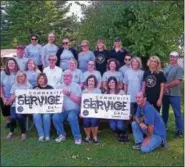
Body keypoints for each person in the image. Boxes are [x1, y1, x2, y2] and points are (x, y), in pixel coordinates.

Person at [52, 70, 82, 145]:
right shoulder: (59, 86)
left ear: (71, 77)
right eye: (64, 76)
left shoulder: (77, 86)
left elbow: (79, 101)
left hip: (74, 109)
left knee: (71, 117)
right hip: (63, 110)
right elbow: (56, 99)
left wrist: (69, 94)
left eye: (68, 76)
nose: (66, 77)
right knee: (55, 117)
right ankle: (62, 134)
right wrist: (60, 106)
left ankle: (77, 137)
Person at [162, 51, 184, 138]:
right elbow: (162, 79)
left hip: (175, 94)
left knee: (177, 113)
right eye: (171, 56)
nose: (172, 58)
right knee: (164, 112)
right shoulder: (166, 68)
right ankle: (164, 126)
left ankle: (180, 130)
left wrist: (166, 86)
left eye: (174, 57)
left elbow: (177, 81)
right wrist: (164, 87)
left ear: (177, 58)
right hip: (165, 94)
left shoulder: (179, 68)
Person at [6, 71, 32, 140]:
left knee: (20, 116)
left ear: (25, 77)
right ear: (17, 78)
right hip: (15, 105)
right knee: (13, 117)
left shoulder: (29, 86)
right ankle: (11, 131)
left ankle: (23, 132)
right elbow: (10, 99)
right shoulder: (14, 86)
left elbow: (31, 98)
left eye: (22, 76)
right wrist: (12, 98)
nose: (20, 78)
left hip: (24, 106)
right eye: (19, 76)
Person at [105, 76, 129, 142]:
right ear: (108, 84)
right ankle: (119, 133)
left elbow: (126, 103)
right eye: (109, 82)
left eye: (113, 82)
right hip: (111, 114)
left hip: (120, 114)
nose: (111, 84)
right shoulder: (106, 93)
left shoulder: (121, 92)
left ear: (115, 83)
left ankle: (123, 132)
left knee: (120, 126)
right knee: (113, 127)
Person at [33, 73, 53, 142]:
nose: (40, 80)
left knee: (46, 116)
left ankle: (47, 135)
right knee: (36, 116)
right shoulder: (35, 88)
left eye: (42, 78)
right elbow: (32, 100)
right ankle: (41, 135)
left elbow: (53, 100)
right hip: (37, 108)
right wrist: (34, 92)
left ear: (45, 79)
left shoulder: (50, 88)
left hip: (47, 109)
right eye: (39, 78)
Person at [0, 58, 20, 129]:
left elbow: (19, 86)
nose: (11, 64)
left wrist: (12, 98)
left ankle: (14, 121)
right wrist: (3, 97)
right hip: (4, 95)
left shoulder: (18, 73)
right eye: (9, 63)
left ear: (15, 64)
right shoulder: (3, 73)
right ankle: (8, 122)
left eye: (12, 63)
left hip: (15, 96)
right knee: (5, 110)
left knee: (13, 110)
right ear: (7, 65)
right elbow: (1, 85)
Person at [82, 75, 101, 144]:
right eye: (89, 81)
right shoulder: (84, 91)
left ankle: (95, 137)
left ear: (94, 82)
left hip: (95, 111)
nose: (91, 82)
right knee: (86, 122)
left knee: (94, 121)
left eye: (92, 81)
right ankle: (88, 136)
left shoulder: (98, 91)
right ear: (87, 82)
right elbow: (82, 103)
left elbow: (100, 102)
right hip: (86, 111)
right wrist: (81, 112)